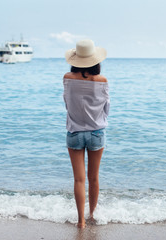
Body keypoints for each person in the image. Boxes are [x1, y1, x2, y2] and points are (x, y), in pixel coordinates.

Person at [63, 39, 110, 228]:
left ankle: (80, 221)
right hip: (97, 132)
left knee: (79, 179)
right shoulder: (102, 81)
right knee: (94, 178)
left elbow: (67, 103)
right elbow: (107, 108)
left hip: (74, 131)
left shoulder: (67, 78)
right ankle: (92, 215)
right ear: (95, 60)